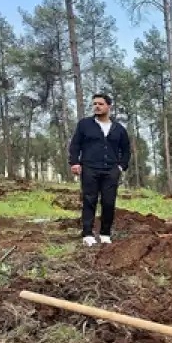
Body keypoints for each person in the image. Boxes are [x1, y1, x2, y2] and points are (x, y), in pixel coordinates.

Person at [68, 93, 131, 246]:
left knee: (109, 202)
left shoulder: (119, 129)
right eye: (94, 103)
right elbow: (75, 144)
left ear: (109, 107)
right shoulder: (85, 125)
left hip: (111, 170)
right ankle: (88, 234)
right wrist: (75, 162)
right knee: (90, 200)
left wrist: (121, 166)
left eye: (100, 104)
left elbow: (126, 150)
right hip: (90, 167)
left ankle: (105, 234)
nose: (97, 106)